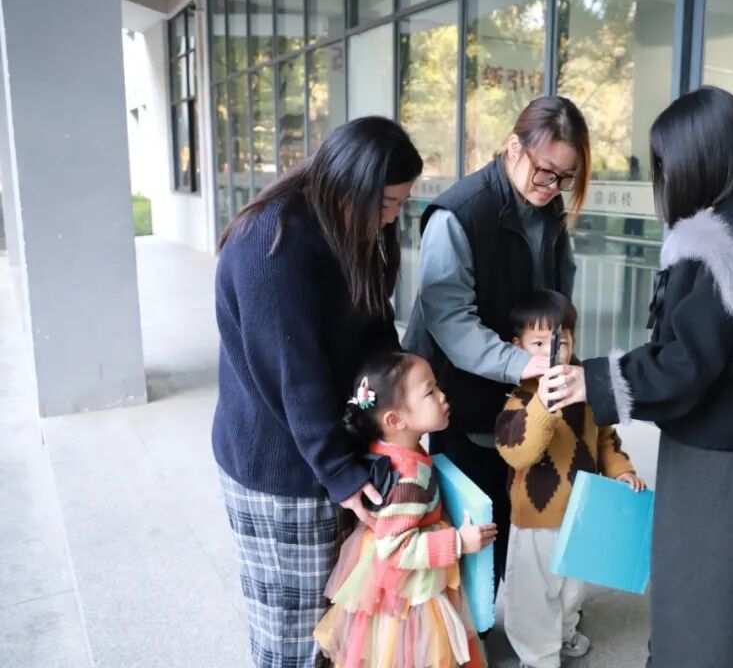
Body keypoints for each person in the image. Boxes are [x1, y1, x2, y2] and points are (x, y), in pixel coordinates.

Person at [542, 87, 733, 668]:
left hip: (718, 442)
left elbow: (688, 362)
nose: (667, 175)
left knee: (698, 578)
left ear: (705, 156)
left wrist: (592, 381)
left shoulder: (728, 243)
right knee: (712, 572)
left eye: (669, 162)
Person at [213, 117, 423, 667]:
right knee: (296, 637)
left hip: (330, 450)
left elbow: (374, 330)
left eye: (401, 204)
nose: (392, 217)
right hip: (282, 467)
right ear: (351, 184)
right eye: (387, 203)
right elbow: (294, 377)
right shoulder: (272, 241)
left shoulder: (345, 226)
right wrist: (338, 470)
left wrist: (392, 406)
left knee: (336, 625)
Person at [404, 96, 591, 584]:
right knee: (475, 525)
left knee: (521, 516)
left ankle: (525, 611)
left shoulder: (548, 208)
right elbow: (450, 320)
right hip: (466, 392)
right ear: (513, 148)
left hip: (524, 393)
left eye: (565, 178)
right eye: (545, 172)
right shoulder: (460, 213)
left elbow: (559, 290)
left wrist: (557, 354)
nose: (553, 188)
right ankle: (474, 622)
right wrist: (521, 363)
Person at [314, 353, 496, 668]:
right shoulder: (407, 478)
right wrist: (458, 542)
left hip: (394, 583)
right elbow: (396, 548)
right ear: (395, 420)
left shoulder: (392, 449)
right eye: (430, 392)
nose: (442, 396)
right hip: (411, 591)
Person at [494, 290, 645, 668]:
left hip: (582, 513)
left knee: (573, 588)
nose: (552, 352)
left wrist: (622, 470)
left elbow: (606, 440)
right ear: (518, 346)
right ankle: (538, 656)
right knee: (533, 594)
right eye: (539, 343)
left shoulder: (587, 395)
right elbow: (517, 452)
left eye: (560, 342)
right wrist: (544, 406)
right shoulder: (519, 399)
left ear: (573, 342)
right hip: (535, 518)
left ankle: (563, 633)